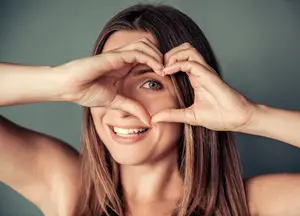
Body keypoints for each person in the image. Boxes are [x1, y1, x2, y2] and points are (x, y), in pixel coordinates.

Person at [0, 3, 299, 216]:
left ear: (191, 96)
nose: (123, 105)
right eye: (107, 79)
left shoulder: (252, 204)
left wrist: (251, 116)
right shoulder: (66, 186)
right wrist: (62, 82)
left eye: (150, 84)